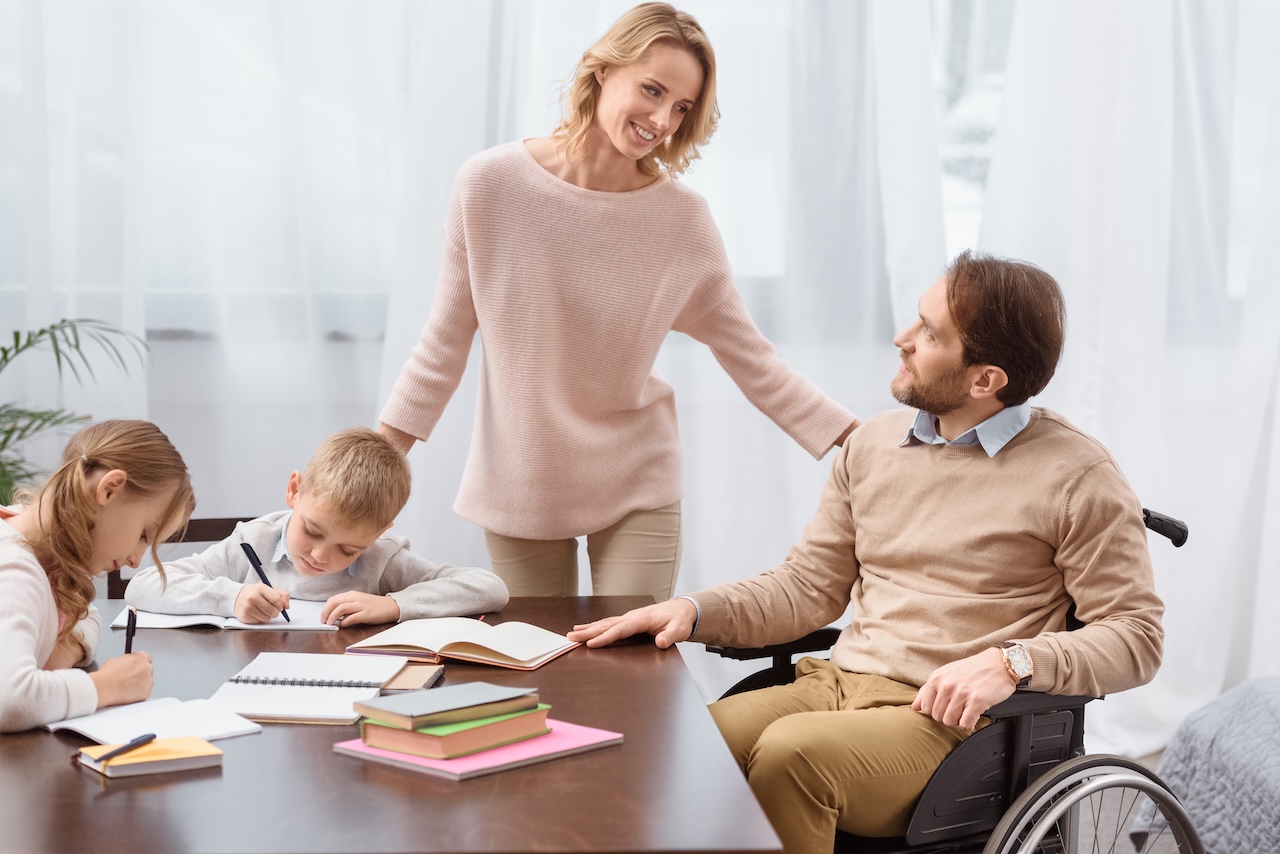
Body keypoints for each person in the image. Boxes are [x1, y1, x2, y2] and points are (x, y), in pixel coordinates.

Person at [568, 251, 1166, 854]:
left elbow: (1136, 636)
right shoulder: (874, 445)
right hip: (835, 683)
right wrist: (694, 611)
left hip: (952, 726)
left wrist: (1012, 663)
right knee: (693, 744)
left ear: (985, 380)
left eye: (930, 334)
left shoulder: (1078, 475)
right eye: (916, 319)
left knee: (791, 756)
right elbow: (807, 587)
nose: (902, 340)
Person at [378, 2, 858, 603]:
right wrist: (372, 464)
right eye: (652, 90)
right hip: (523, 475)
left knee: (629, 677)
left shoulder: (682, 221)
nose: (662, 120)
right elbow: (444, 340)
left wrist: (856, 439)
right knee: (537, 672)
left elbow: (753, 360)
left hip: (637, 477)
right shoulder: (490, 184)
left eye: (681, 108)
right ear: (603, 70)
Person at [126, 427, 508, 625]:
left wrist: (393, 605)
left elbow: (489, 588)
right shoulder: (253, 542)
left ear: (378, 534)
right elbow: (142, 587)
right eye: (311, 530)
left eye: (347, 550)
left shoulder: (382, 559)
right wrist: (230, 598)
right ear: (295, 490)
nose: (319, 555)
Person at [0, 419, 196, 732]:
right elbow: (8, 699)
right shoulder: (14, 569)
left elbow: (86, 615)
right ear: (109, 489)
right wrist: (107, 686)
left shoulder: (45, 558)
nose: (135, 560)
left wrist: (60, 649)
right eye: (145, 535)